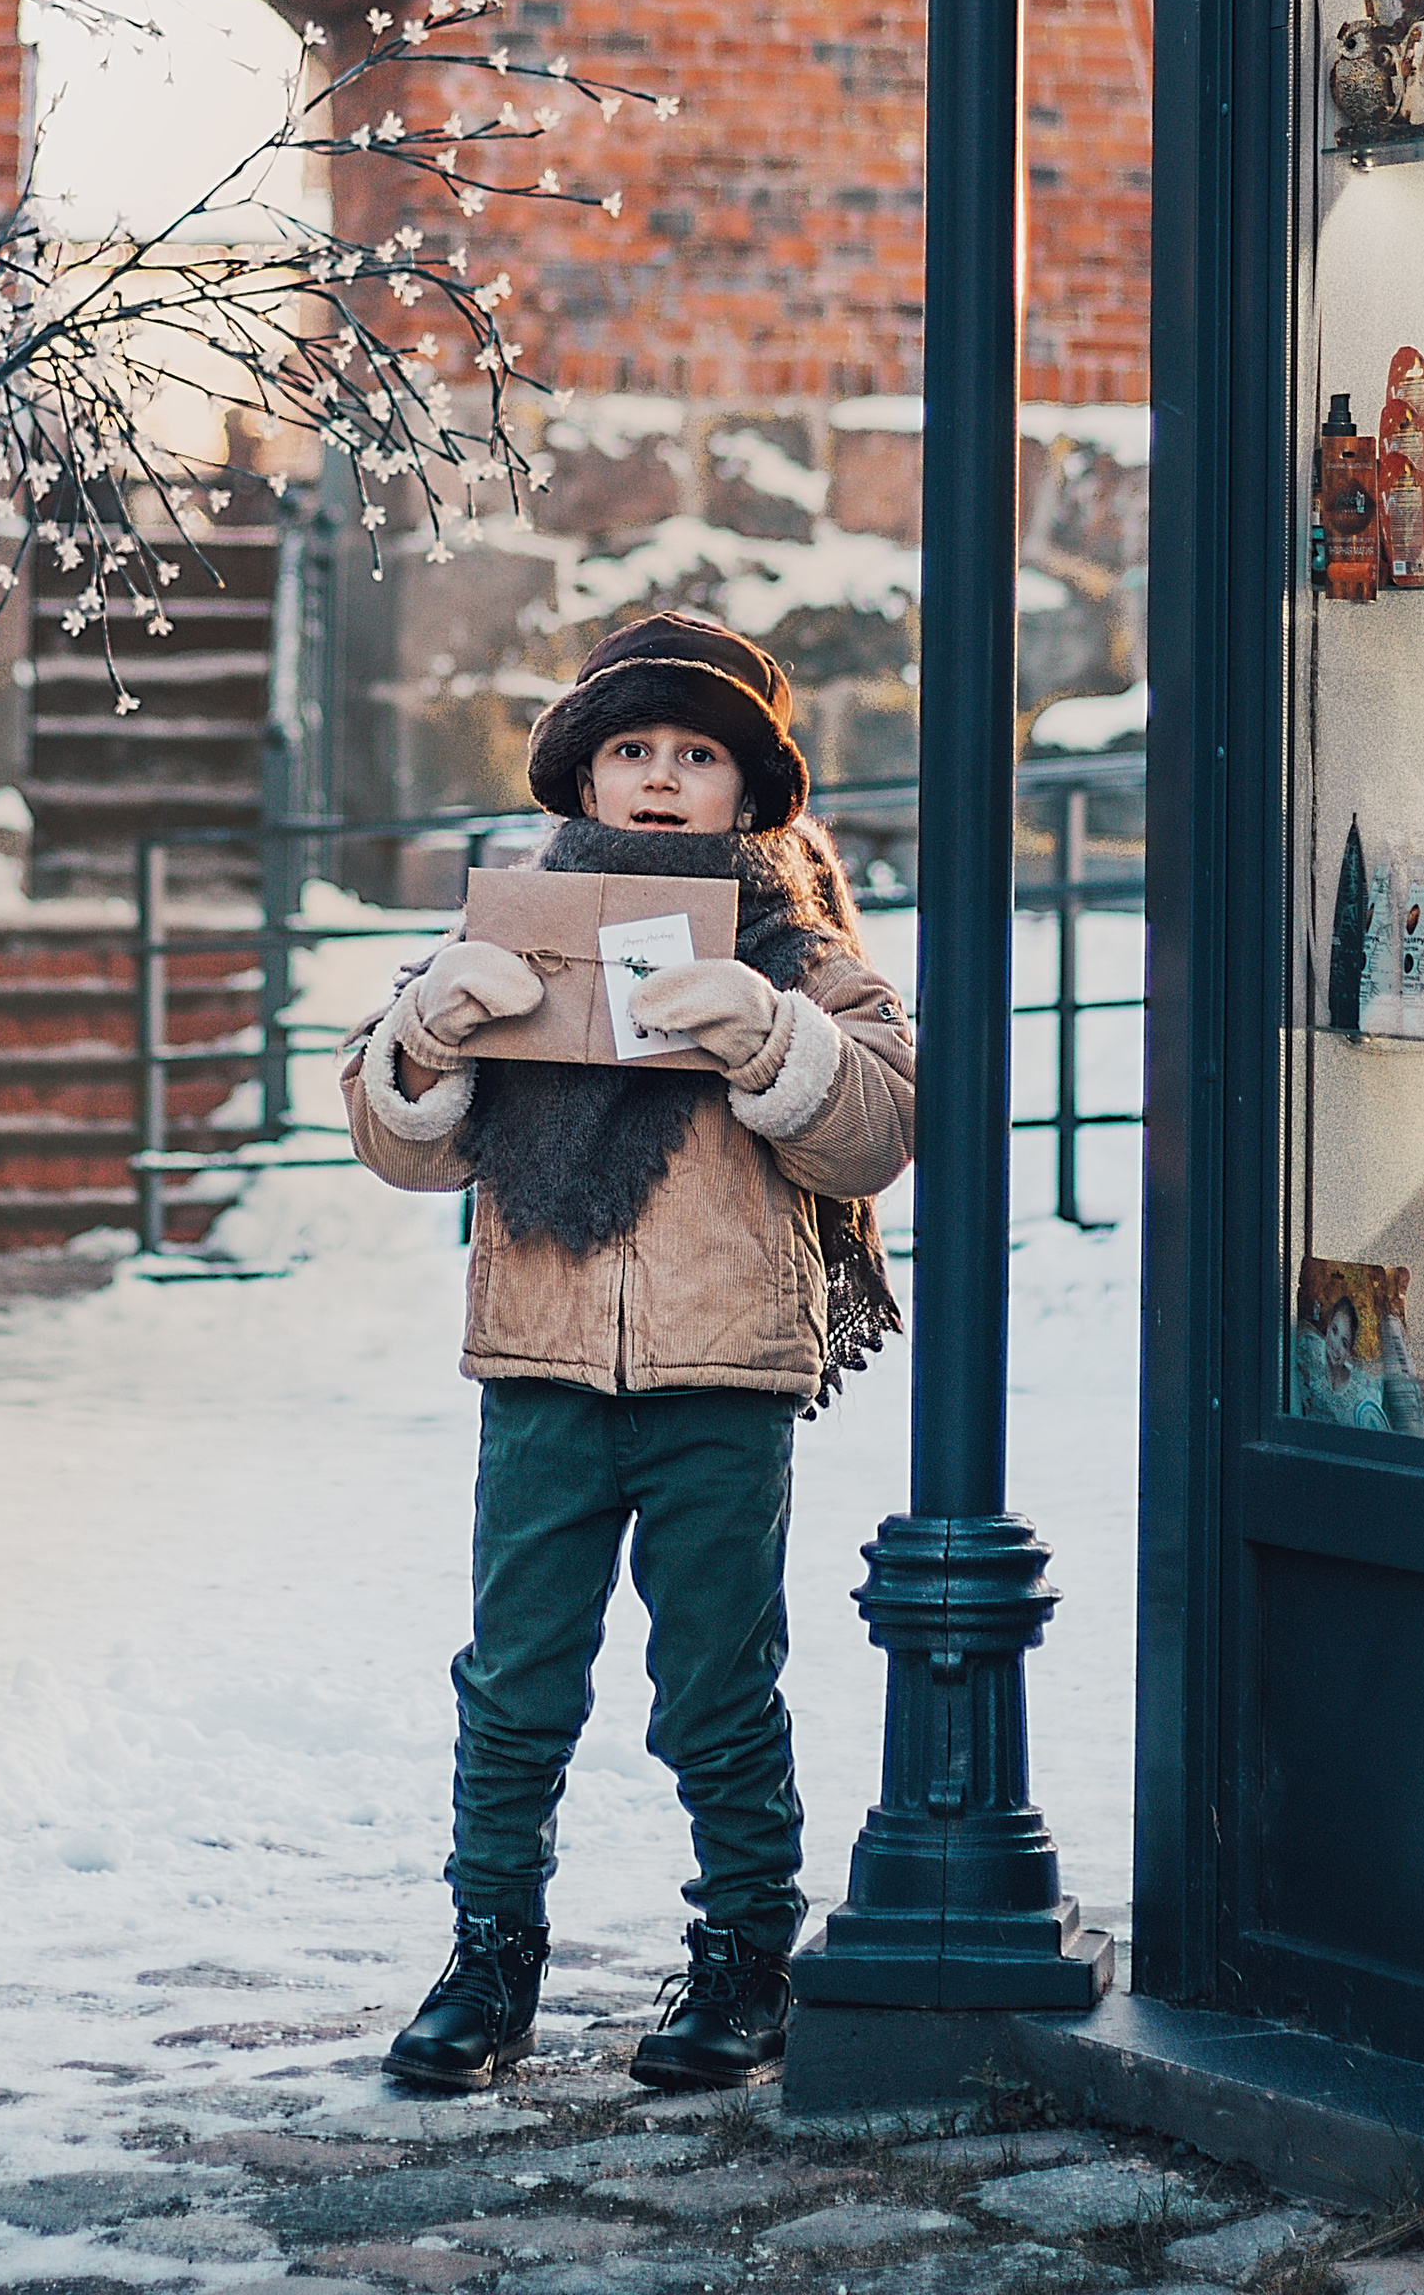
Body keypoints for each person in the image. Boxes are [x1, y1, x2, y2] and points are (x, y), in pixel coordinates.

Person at [341, 610, 915, 2096]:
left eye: (700, 754)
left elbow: (881, 1130)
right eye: (634, 751)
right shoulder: (510, 926)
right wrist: (429, 1036)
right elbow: (402, 1141)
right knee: (516, 1681)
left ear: (752, 789)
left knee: (717, 1682)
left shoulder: (806, 951)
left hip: (725, 1374)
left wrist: (771, 1037)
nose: (663, 780)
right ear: (585, 782)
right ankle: (489, 1956)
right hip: (540, 1364)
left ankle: (744, 1955)